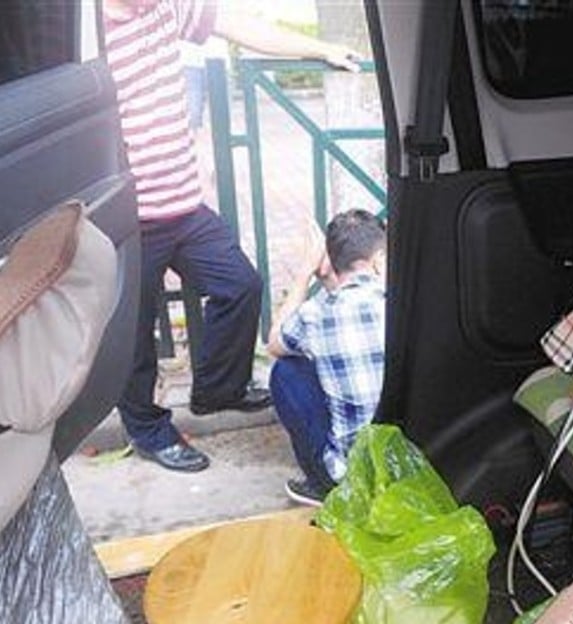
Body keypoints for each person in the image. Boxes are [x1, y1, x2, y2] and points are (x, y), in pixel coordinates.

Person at [102, 0, 363, 472]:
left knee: (241, 285)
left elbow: (241, 26)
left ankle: (216, 391)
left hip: (185, 207)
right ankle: (148, 430)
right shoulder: (93, 31)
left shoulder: (167, 8)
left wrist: (322, 48)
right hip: (130, 220)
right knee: (134, 332)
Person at [266, 210, 386, 506]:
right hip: (411, 461)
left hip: (351, 475)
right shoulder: (402, 300)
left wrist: (305, 273)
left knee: (286, 371)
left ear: (331, 263)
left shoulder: (315, 313)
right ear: (379, 258)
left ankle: (324, 487)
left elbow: (275, 343)